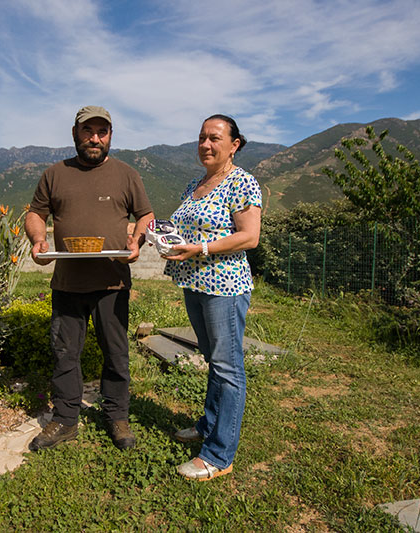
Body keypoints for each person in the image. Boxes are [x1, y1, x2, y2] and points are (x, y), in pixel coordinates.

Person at [25, 105, 154, 451]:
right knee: (65, 352)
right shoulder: (55, 174)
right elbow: (36, 213)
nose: (94, 138)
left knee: (116, 351)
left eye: (102, 132)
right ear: (75, 133)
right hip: (67, 281)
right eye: (88, 131)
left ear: (110, 136)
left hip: (112, 280)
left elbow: (146, 215)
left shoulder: (126, 174)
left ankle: (117, 416)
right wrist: (39, 239)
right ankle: (65, 420)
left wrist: (136, 240)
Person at [162, 114, 262, 480]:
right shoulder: (195, 184)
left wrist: (200, 247)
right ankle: (208, 425)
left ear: (234, 145)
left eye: (215, 138)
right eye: (202, 137)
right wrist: (170, 243)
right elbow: (185, 229)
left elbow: (249, 236)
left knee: (227, 367)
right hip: (196, 283)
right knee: (213, 359)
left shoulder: (242, 182)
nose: (206, 144)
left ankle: (219, 455)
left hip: (224, 287)